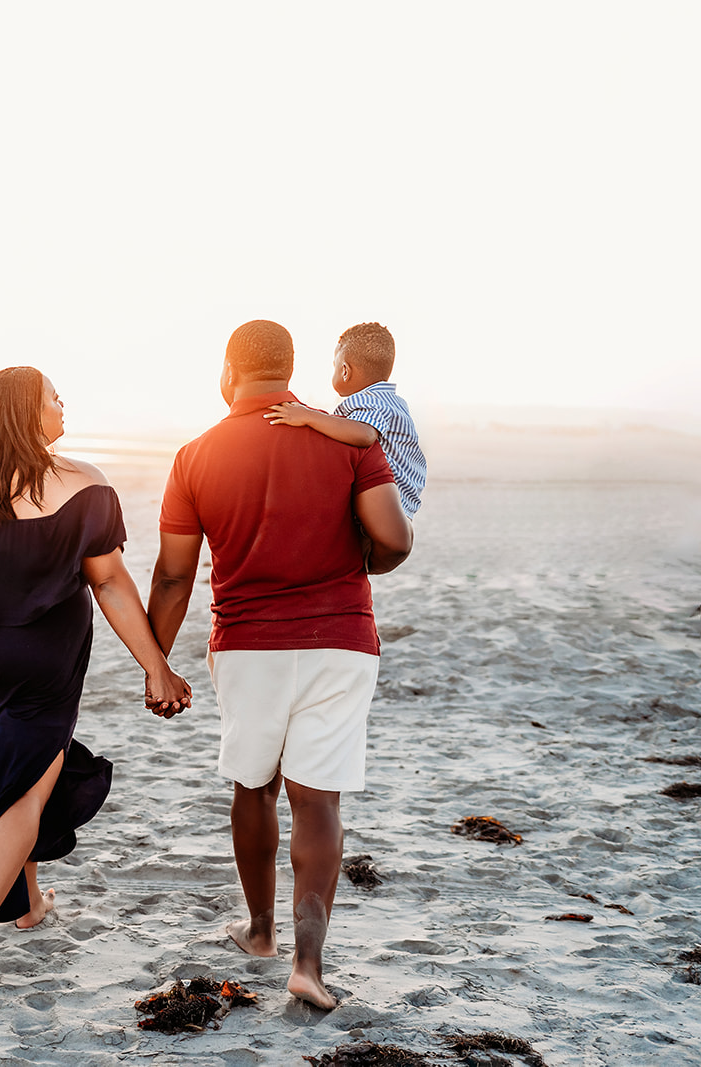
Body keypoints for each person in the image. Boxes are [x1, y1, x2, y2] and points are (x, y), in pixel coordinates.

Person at [147, 321, 412, 1010]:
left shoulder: (195, 454)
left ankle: (260, 930)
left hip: (246, 645)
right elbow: (395, 538)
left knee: (253, 784)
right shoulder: (340, 438)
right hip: (341, 641)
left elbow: (175, 577)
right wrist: (360, 566)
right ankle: (308, 962)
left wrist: (156, 660)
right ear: (292, 370)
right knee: (318, 798)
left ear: (228, 374)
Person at [0, 366, 192, 998]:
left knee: (5, 779)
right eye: (53, 398)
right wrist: (157, 668)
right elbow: (112, 582)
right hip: (44, 662)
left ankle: (30, 903)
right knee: (24, 793)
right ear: (26, 414)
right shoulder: (80, 484)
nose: (63, 405)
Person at [262, 322, 427, 517]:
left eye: (334, 366)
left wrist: (308, 416)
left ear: (345, 371)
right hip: (401, 504)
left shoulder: (370, 400)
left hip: (385, 505)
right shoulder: (392, 401)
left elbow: (365, 434)